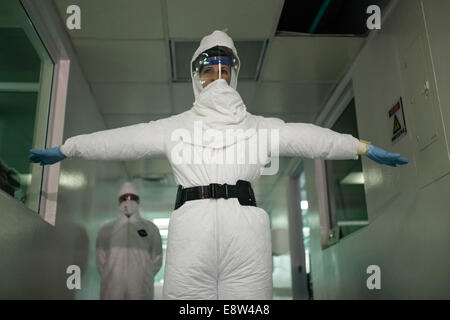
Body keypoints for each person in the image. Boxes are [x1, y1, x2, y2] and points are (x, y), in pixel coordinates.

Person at [29, 30, 407, 299]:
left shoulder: (259, 127)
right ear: (196, 76)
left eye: (226, 69)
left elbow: (308, 137)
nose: (218, 77)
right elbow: (121, 139)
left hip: (245, 234)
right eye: (209, 69)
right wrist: (70, 147)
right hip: (191, 232)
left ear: (236, 73)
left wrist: (358, 146)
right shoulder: (174, 127)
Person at [96, 182, 163, 300]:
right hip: (111, 290)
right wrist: (112, 275)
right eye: (124, 198)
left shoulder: (150, 228)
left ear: (138, 201)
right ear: (118, 201)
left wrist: (143, 275)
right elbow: (101, 262)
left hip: (141, 290)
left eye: (133, 198)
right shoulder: (106, 229)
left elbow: (157, 260)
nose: (128, 201)